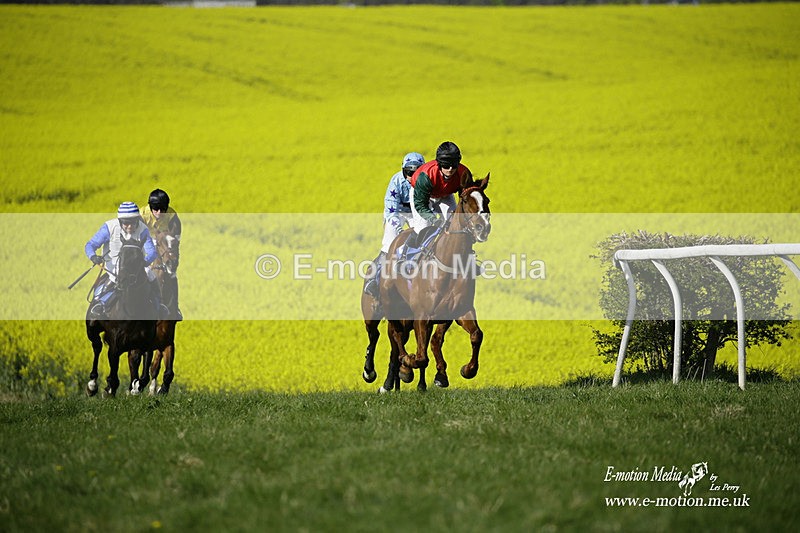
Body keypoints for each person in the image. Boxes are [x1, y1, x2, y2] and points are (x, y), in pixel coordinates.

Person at [364, 152, 425, 298]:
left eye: (416, 172)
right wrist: (399, 230)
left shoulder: (426, 181)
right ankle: (373, 278)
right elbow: (391, 210)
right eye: (409, 172)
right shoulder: (396, 181)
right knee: (389, 243)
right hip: (398, 213)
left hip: (417, 212)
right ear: (403, 170)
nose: (412, 176)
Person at [84, 201, 161, 319]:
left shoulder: (143, 229)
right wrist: (93, 256)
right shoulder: (109, 228)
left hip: (137, 268)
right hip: (114, 268)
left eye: (133, 222)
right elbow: (91, 245)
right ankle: (99, 304)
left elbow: (152, 252)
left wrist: (144, 262)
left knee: (151, 276)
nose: (130, 226)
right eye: (126, 223)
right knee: (109, 282)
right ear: (120, 221)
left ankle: (159, 305)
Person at [407, 141, 472, 247]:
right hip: (422, 196)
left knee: (454, 222)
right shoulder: (426, 175)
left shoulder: (463, 173)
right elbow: (420, 204)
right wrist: (433, 219)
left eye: (454, 165)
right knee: (423, 226)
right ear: (439, 164)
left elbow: (465, 198)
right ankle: (404, 252)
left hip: (445, 194)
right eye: (446, 165)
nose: (450, 169)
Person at [141, 188, 182, 320]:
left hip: (164, 244)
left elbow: (175, 240)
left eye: (162, 209)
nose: (159, 213)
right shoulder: (142, 215)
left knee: (171, 274)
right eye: (156, 209)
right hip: (145, 243)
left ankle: (175, 307)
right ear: (150, 207)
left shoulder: (172, 216)